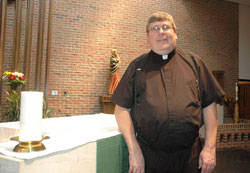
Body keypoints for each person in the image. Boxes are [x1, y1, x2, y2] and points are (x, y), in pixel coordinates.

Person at [111, 11, 225, 173]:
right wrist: (134, 151)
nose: (161, 32)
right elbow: (121, 110)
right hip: (150, 157)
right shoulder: (137, 67)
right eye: (155, 28)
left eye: (166, 27)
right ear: (148, 37)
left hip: (189, 157)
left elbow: (209, 106)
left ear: (175, 33)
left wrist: (210, 148)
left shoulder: (195, 63)